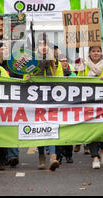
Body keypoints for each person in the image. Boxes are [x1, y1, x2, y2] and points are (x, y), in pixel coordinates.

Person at [25, 33, 63, 171]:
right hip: (36, 98)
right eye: (41, 44)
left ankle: (53, 157)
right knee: (39, 126)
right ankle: (41, 157)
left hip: (51, 97)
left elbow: (61, 79)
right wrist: (28, 77)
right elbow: (25, 76)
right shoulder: (31, 60)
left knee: (51, 125)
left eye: (46, 44)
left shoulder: (56, 61)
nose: (44, 47)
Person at [77, 45, 103, 169]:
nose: (96, 53)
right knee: (92, 130)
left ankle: (102, 152)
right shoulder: (83, 66)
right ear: (89, 53)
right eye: (93, 51)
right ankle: (95, 157)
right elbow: (77, 83)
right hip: (89, 103)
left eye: (98, 51)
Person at [56, 53, 75, 164]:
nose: (64, 62)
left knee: (68, 132)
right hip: (58, 108)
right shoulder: (55, 74)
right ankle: (59, 155)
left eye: (65, 60)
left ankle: (69, 154)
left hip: (69, 108)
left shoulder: (72, 76)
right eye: (61, 60)